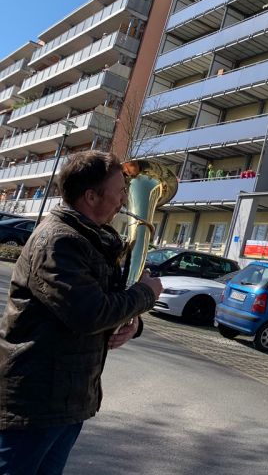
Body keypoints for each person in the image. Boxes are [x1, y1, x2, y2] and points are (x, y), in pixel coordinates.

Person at [0, 151, 163, 474]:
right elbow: (89, 313)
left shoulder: (91, 239)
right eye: (120, 192)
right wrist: (146, 294)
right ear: (90, 196)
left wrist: (133, 324)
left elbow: (107, 301)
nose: (123, 201)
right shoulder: (58, 242)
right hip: (35, 401)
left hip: (67, 399)